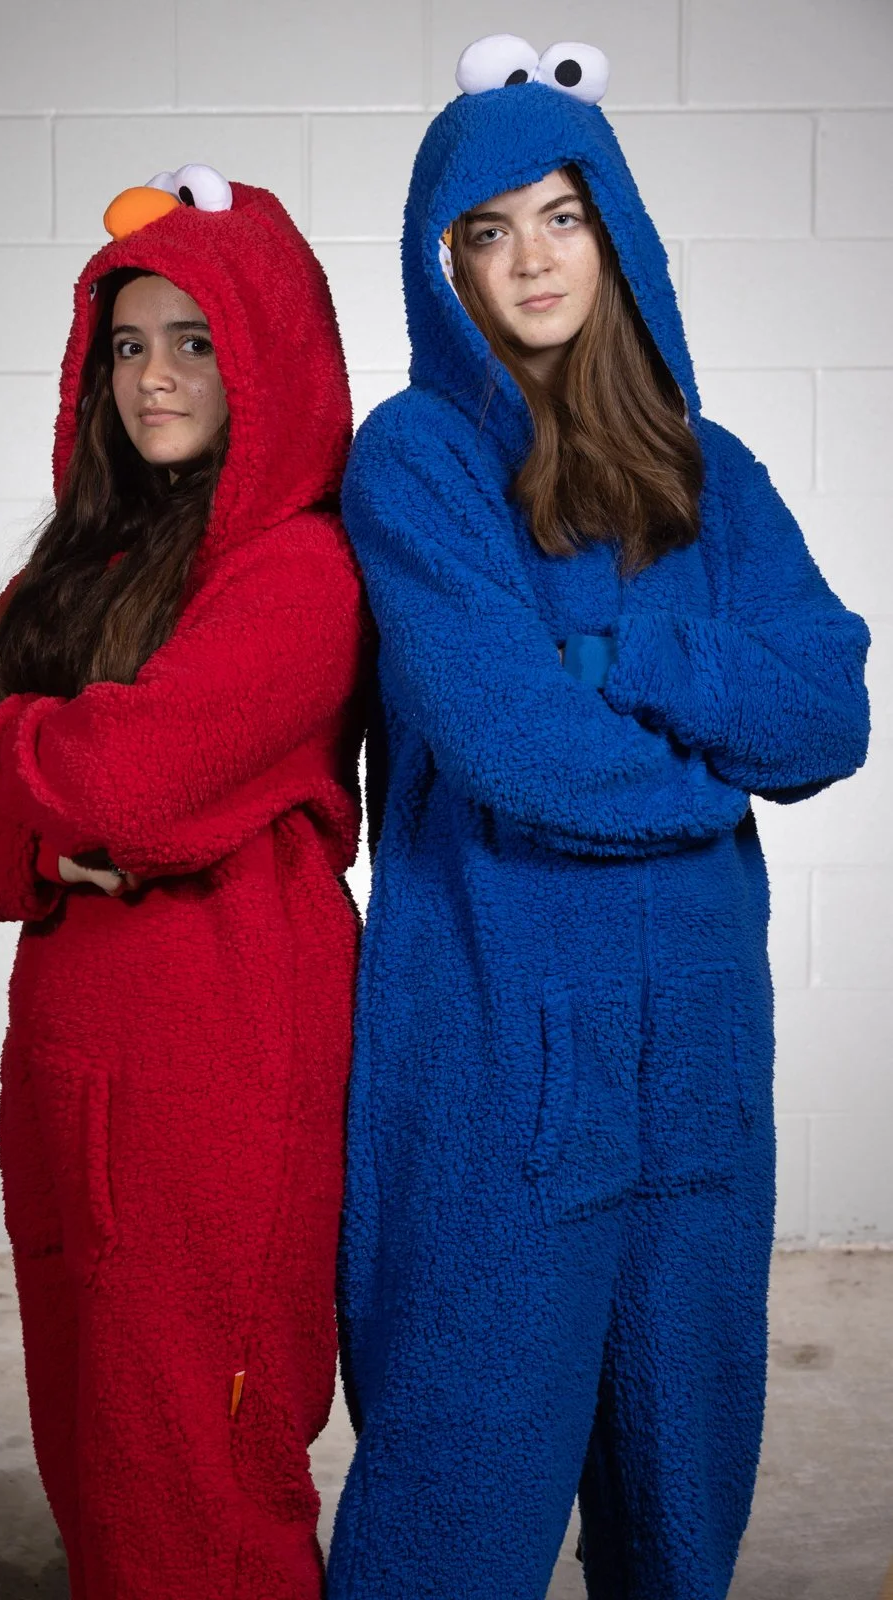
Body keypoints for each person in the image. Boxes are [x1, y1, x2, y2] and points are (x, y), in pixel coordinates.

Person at [328, 34, 870, 1600]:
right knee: (454, 1489)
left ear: (612, 228)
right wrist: (714, 774)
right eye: (485, 231)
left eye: (559, 216)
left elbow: (825, 714)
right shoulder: (416, 461)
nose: (529, 260)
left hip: (697, 1056)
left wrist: (627, 652)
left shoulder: (716, 477)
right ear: (442, 264)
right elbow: (518, 751)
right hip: (497, 1052)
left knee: (683, 1496)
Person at [0, 163, 368, 1600]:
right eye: (129, 345)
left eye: (196, 342)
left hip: (224, 1063)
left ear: (266, 355)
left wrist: (16, 742)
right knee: (93, 1424)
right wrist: (36, 844)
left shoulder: (299, 572)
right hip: (70, 1056)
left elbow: (125, 781)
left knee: (205, 1443)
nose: (153, 378)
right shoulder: (88, 563)